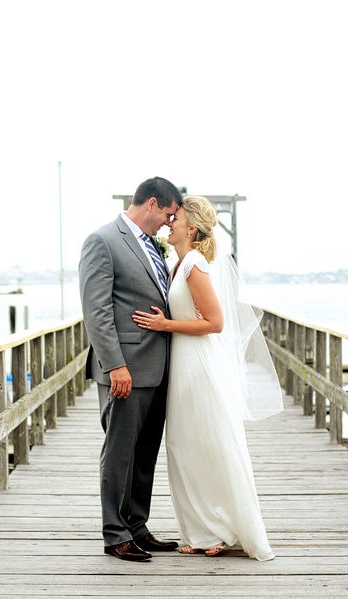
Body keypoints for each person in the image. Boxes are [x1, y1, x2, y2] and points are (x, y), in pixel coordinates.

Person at [132, 195, 282, 560]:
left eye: (176, 217)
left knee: (207, 443)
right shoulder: (177, 262)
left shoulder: (195, 262)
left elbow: (215, 322)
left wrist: (166, 324)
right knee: (186, 446)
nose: (169, 222)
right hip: (182, 362)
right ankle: (202, 527)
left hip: (199, 364)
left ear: (192, 227)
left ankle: (216, 529)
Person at [78, 176, 183, 562]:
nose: (169, 223)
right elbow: (97, 312)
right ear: (152, 204)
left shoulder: (152, 245)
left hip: (158, 369)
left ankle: (137, 526)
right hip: (125, 370)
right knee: (119, 453)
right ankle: (115, 534)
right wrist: (116, 365)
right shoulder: (103, 241)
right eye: (168, 214)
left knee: (144, 455)